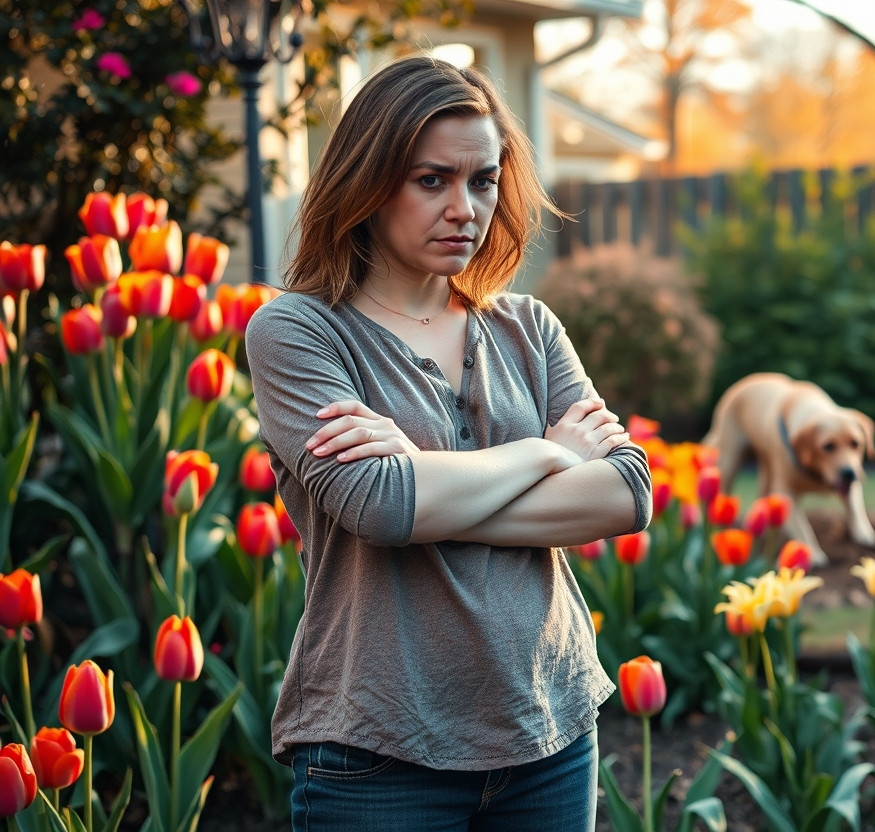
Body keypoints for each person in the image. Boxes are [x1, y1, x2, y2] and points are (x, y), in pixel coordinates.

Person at [244, 55, 651, 830]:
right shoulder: (300, 331)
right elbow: (382, 506)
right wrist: (549, 454)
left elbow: (627, 494)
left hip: (549, 731)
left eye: (484, 181)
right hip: (380, 750)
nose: (465, 207)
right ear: (368, 182)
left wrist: (425, 480)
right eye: (432, 180)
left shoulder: (527, 327)